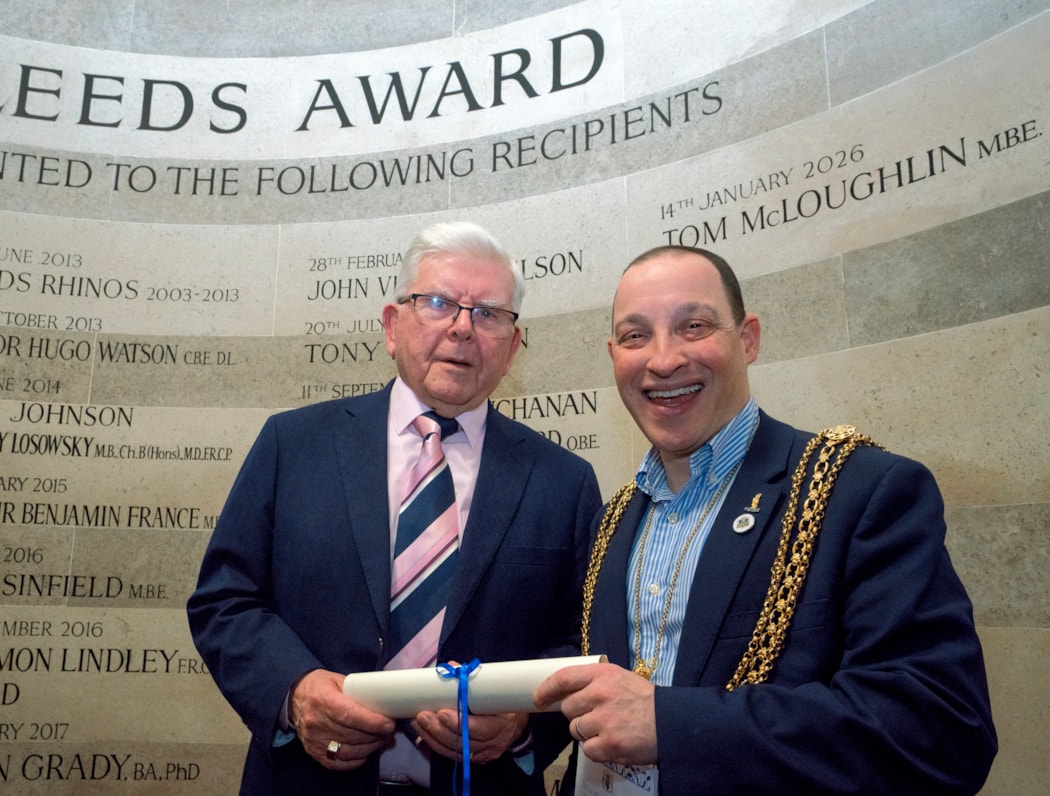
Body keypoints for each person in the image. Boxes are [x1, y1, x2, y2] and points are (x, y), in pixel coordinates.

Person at [534, 245, 997, 794]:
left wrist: (671, 725)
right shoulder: (613, 521)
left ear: (747, 338)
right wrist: (519, 719)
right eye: (636, 337)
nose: (662, 360)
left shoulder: (861, 490)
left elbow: (940, 729)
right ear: (615, 355)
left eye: (695, 325)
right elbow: (605, 699)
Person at [188, 221, 603, 796]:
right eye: (437, 303)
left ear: (512, 348)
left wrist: (521, 724)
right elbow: (225, 601)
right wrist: (294, 691)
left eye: (488, 313)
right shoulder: (293, 444)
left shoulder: (565, 481)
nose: (462, 328)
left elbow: (583, 639)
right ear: (391, 325)